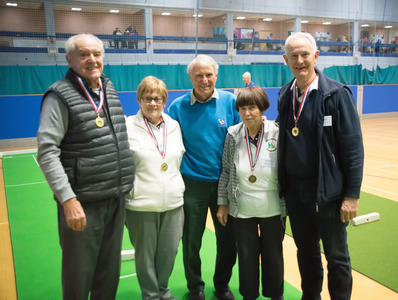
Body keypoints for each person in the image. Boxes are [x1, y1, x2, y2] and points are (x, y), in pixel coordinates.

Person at [37, 33, 135, 299]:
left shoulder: (108, 87)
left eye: (97, 54)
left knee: (108, 274)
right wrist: (68, 200)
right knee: (79, 276)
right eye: (84, 54)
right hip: (83, 203)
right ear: (69, 59)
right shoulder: (59, 95)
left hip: (115, 198)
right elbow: (47, 152)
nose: (92, 59)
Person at [277, 32, 364, 300]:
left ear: (316, 56)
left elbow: (353, 149)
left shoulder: (336, 94)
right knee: (306, 253)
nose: (300, 61)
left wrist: (351, 195)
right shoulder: (284, 94)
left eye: (305, 54)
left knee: (336, 258)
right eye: (294, 56)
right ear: (286, 59)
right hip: (295, 193)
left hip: (329, 194)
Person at [168, 54, 240, 300]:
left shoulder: (231, 102)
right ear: (190, 77)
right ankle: (195, 287)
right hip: (192, 185)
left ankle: (222, 286)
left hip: (226, 184)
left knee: (228, 241)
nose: (204, 79)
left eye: (209, 74)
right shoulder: (177, 107)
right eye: (198, 75)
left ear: (216, 76)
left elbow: (241, 142)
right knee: (191, 241)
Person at [217, 86, 286, 300]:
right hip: (242, 208)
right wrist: (222, 203)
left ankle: (276, 295)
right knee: (246, 257)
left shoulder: (278, 132)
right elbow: (226, 170)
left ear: (262, 108)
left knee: (273, 256)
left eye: (252, 108)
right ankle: (249, 295)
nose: (247, 113)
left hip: (273, 206)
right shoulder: (233, 134)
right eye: (243, 108)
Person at [125, 76, 185, 300]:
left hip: (173, 201)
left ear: (164, 101)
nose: (153, 103)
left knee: (169, 252)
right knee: (145, 256)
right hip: (141, 204)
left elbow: (176, 161)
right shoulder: (127, 125)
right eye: (148, 98)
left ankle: (163, 291)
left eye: (158, 99)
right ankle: (151, 296)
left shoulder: (174, 126)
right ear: (139, 99)